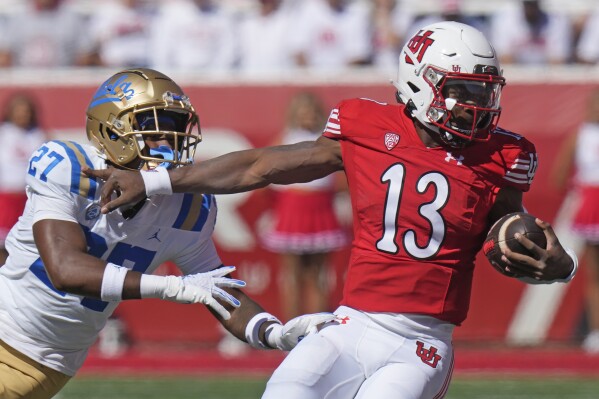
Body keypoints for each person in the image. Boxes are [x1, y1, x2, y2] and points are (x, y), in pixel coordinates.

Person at [85, 22, 578, 398]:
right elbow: (262, 166)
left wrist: (556, 264)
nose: (477, 106)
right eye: (463, 91)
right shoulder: (366, 126)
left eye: (484, 92)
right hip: (350, 324)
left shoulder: (505, 154)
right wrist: (154, 178)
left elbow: (507, 228)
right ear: (419, 82)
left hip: (422, 341)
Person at [0, 68, 333, 399]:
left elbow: (216, 289)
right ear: (112, 130)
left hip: (46, 365)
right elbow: (65, 270)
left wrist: (273, 333)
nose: (168, 142)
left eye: (174, 128)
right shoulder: (68, 165)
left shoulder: (188, 208)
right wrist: (173, 287)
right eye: (153, 129)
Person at [261, 92, 348, 320]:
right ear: (294, 114)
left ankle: (318, 326)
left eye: (312, 112)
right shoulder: (285, 138)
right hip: (293, 207)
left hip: (320, 207)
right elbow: (265, 175)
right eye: (303, 112)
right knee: (292, 275)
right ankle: (291, 328)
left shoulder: (327, 140)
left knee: (318, 274)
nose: (308, 117)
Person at [550, 88, 599, 354]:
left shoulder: (580, 134)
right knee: (594, 274)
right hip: (592, 206)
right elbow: (559, 175)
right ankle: (595, 330)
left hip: (591, 201)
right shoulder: (579, 135)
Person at [0, 93, 47, 265]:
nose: (23, 115)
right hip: (5, 197)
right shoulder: (4, 133)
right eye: (19, 111)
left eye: (26, 111)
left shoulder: (39, 135)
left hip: (28, 198)